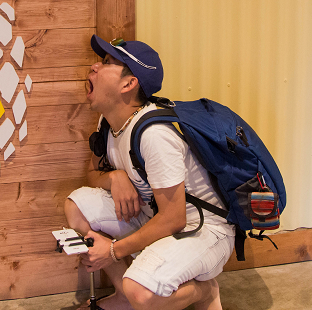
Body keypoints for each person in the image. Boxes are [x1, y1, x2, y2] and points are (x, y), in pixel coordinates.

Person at [65, 36, 235, 310]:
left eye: (107, 62)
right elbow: (91, 172)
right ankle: (124, 296)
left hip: (202, 230)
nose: (94, 66)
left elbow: (174, 219)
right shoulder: (108, 122)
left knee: (142, 291)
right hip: (153, 215)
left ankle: (203, 291)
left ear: (128, 84)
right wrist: (114, 177)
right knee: (77, 206)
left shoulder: (154, 135)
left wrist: (111, 251)